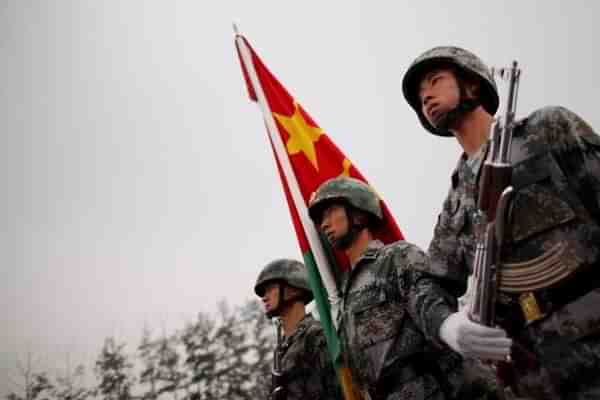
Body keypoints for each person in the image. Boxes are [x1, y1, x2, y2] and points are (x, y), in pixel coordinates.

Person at [401, 46, 600, 399]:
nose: (426, 96)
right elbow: (424, 281)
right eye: (419, 96)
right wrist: (447, 325)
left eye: (435, 81)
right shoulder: (457, 200)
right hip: (534, 375)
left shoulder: (547, 129)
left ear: (473, 86)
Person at [307, 176, 496, 400]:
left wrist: (447, 325)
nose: (324, 224)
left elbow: (429, 303)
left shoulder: (396, 257)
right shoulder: (345, 294)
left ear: (357, 213)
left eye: (330, 212)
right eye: (320, 219)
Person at [254, 258, 339, 400]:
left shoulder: (316, 336)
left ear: (293, 289)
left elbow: (337, 389)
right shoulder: (281, 351)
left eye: (270, 289)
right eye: (263, 292)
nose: (264, 298)